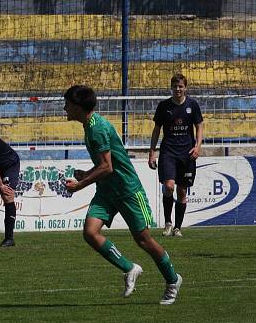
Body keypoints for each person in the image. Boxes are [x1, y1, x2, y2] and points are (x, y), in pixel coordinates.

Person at [63, 85, 182, 305]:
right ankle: (130, 268)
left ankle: (173, 280)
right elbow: (104, 165)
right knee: (90, 232)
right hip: (107, 190)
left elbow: (107, 167)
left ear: (79, 107)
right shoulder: (91, 125)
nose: (65, 108)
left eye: (68, 104)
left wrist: (80, 184)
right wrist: (87, 174)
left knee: (144, 241)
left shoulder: (97, 129)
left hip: (127, 189)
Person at [148, 74, 204, 237]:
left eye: (180, 86)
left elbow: (199, 126)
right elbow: (156, 130)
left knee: (182, 191)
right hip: (168, 152)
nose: (178, 89)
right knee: (169, 186)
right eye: (175, 86)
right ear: (171, 87)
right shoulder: (164, 106)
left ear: (185, 88)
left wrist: (198, 146)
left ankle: (177, 227)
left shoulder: (192, 105)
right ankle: (167, 223)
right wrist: (152, 152)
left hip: (187, 154)